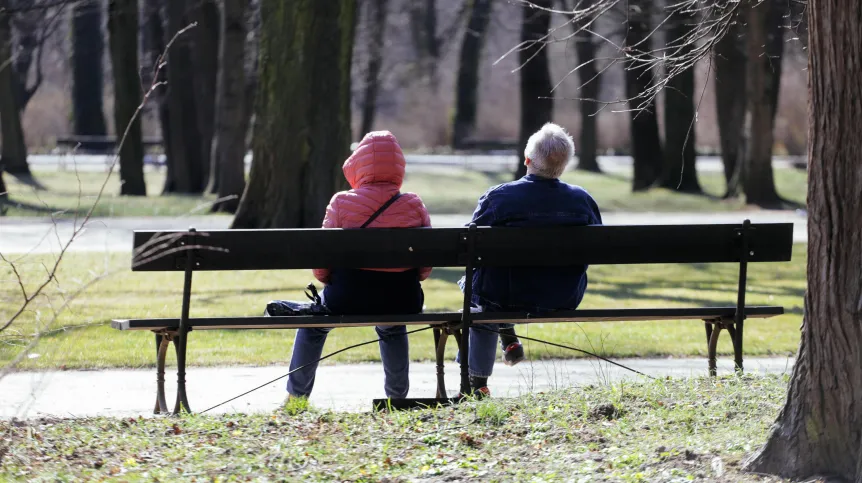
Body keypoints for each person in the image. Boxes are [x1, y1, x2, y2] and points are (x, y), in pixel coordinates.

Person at [284, 131, 432, 401]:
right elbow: (425, 265)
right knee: (393, 325)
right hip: (402, 298)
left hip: (347, 297)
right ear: (398, 165)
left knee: (312, 325)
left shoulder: (342, 202)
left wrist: (328, 281)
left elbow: (321, 261)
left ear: (358, 163)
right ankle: (397, 399)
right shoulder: (413, 204)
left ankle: (296, 399)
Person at [461, 123, 602, 396]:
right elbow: (597, 248)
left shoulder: (498, 197)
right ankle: (507, 335)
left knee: (476, 294)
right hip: (561, 297)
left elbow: (469, 248)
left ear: (527, 160)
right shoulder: (582, 201)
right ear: (564, 166)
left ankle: (477, 384)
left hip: (503, 296)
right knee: (483, 291)